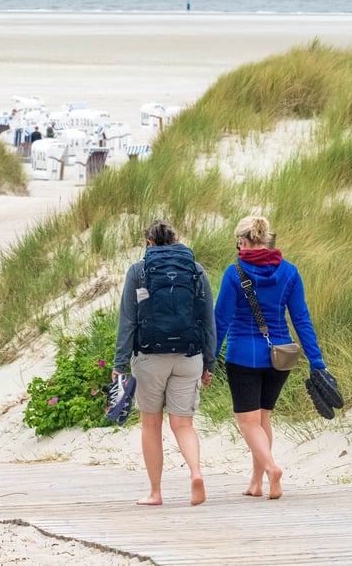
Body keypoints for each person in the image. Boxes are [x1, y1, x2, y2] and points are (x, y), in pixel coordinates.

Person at [214, 215, 329, 500]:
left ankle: (272, 468)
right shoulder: (290, 272)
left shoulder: (234, 272)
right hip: (280, 357)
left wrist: (208, 360)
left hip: (243, 356)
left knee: (247, 421)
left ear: (242, 241)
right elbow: (301, 319)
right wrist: (317, 362)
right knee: (263, 417)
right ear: (267, 239)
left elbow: (221, 320)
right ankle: (257, 482)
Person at [111, 219, 215, 506]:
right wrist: (209, 362)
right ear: (175, 240)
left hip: (149, 358)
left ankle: (156, 492)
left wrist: (119, 363)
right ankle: (195, 472)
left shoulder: (138, 271)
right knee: (183, 425)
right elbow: (207, 319)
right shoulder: (195, 270)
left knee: (150, 425)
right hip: (188, 357)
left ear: (149, 243)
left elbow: (128, 320)